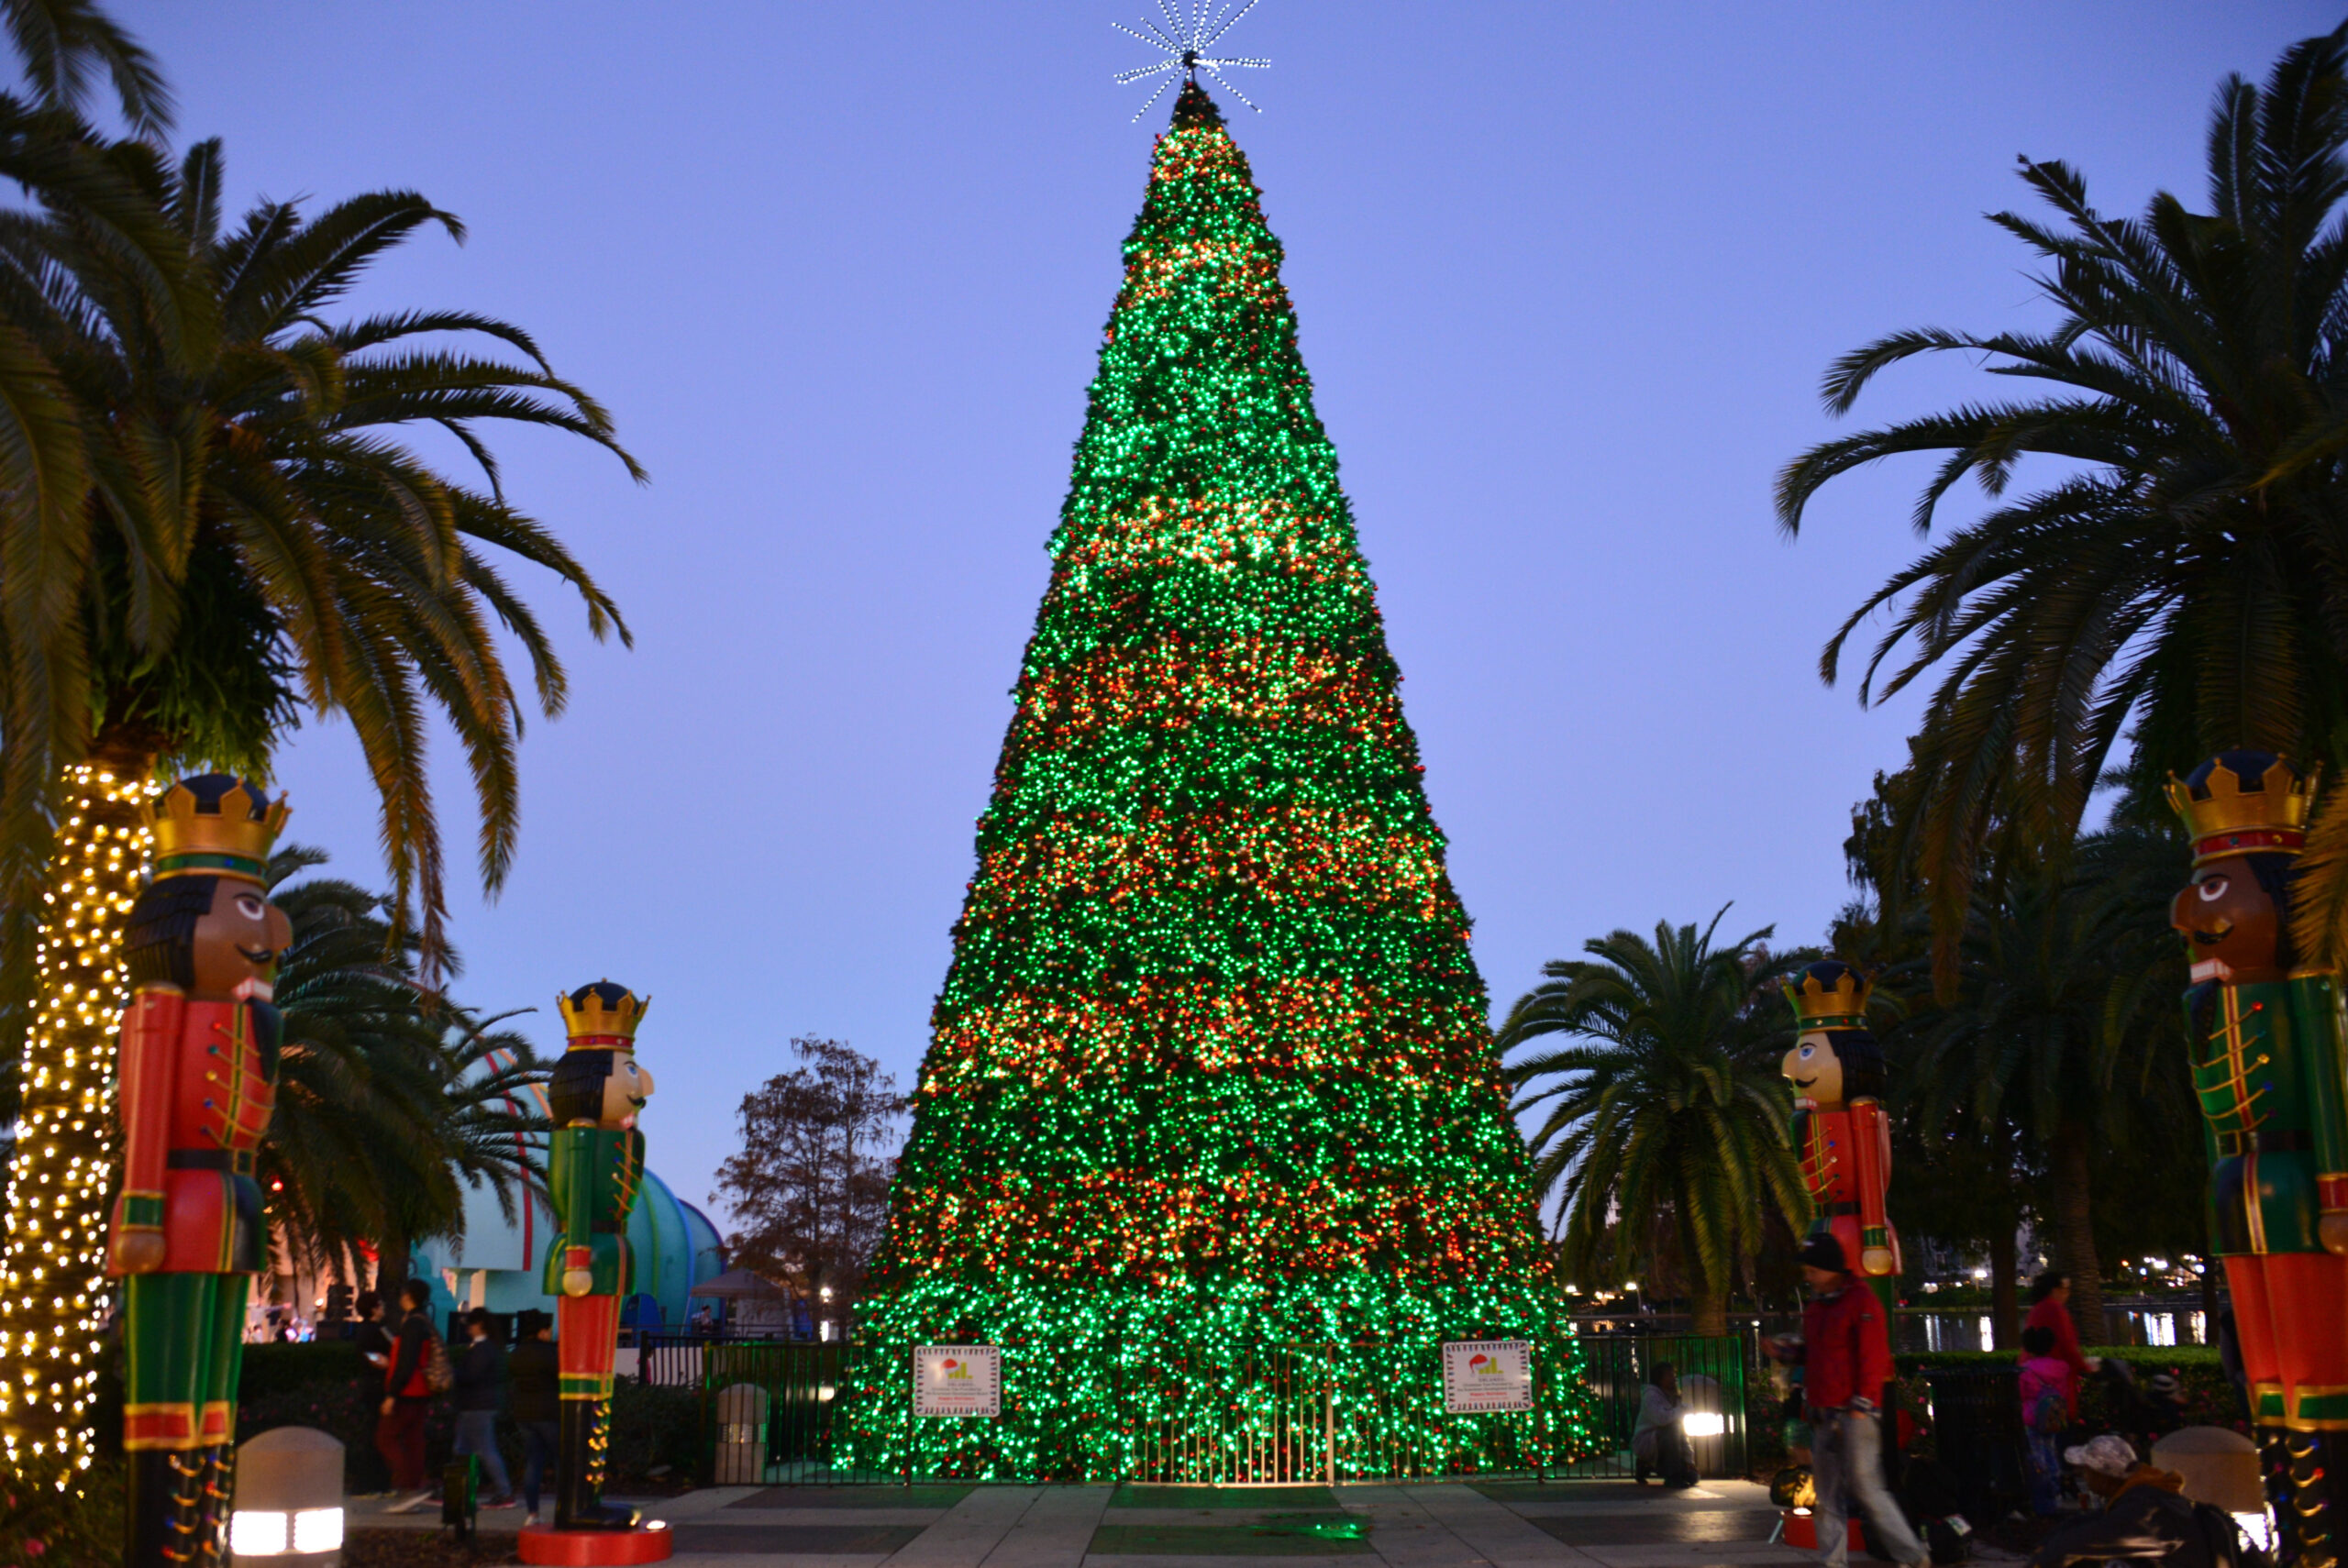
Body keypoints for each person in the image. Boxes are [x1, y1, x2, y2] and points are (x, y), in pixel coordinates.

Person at [1796, 1232, 1928, 1568]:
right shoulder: (1819, 1306)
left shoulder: (1860, 1302)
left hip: (1852, 1413)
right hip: (1825, 1412)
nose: (1808, 1277)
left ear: (1831, 1270)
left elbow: (1873, 1356)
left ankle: (1912, 1556)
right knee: (1828, 1498)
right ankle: (1834, 1562)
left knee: (1867, 1490)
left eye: (1813, 1270)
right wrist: (1788, 1353)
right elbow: (1815, 1354)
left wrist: (1863, 1403)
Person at [2027, 1435, 2213, 1568]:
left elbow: (2078, 1543)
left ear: (2102, 1476)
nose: (2083, 1476)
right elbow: (2087, 1525)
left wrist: (2042, 1560)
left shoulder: (2148, 1511)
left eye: (2086, 1471)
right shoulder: (2144, 1496)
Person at [378, 1279, 440, 1514]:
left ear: (408, 1296)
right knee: (414, 1440)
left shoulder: (411, 1324)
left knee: (386, 1438)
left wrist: (392, 1394)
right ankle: (414, 1487)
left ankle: (406, 1486)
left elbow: (406, 1362)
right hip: (421, 1390)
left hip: (406, 1391)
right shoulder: (424, 1322)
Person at [453, 1308, 516, 1508]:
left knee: (479, 1449)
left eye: (470, 1324)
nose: (468, 1329)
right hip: (482, 1404)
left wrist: (452, 1372)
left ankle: (502, 1491)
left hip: (476, 1405)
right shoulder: (492, 1348)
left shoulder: (481, 1349)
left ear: (479, 1325)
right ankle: (461, 1488)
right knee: (471, 1449)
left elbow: (471, 1376)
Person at [510, 1309, 561, 1529]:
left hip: (524, 1414)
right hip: (549, 1413)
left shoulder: (517, 1353)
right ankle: (565, 1508)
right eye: (548, 1330)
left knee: (533, 1463)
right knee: (563, 1461)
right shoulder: (551, 1353)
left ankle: (533, 1512)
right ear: (542, 1331)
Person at [2025, 1273, 2099, 1419]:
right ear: (2055, 1290)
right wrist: (2085, 1366)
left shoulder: (2036, 1309)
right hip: (2057, 1382)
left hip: (2035, 1381)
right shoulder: (2056, 1310)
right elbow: (2068, 1346)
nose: (2067, 1294)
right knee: (2061, 1427)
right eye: (2065, 1289)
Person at [2019, 1325, 2075, 1516]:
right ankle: (2055, 1493)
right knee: (2052, 1452)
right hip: (2054, 1416)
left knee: (2037, 1456)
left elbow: (2023, 1394)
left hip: (2033, 1417)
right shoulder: (2061, 1368)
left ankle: (2042, 1499)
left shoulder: (2025, 1370)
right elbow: (2064, 1392)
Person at [1633, 1361, 1698, 1487]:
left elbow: (1681, 1431)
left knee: (1693, 1477)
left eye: (1674, 1374)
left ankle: (1650, 1467)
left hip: (1667, 1441)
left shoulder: (1674, 1396)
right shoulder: (1651, 1395)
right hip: (1647, 1440)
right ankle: (1672, 1476)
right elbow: (1661, 1419)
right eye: (1669, 1375)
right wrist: (1682, 1410)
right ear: (1659, 1378)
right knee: (1671, 1428)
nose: (1673, 1378)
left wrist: (1689, 1460)